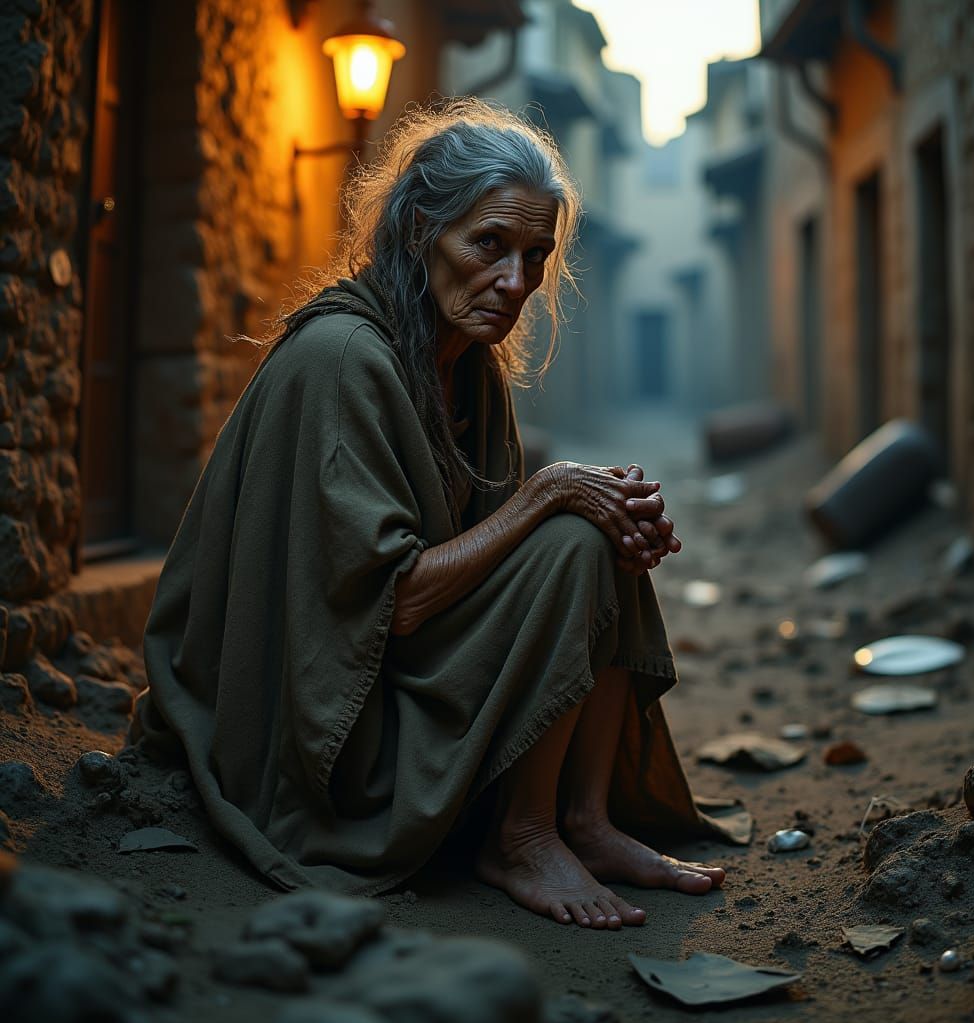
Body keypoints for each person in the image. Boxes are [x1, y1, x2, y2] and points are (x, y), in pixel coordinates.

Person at [134, 99, 734, 932]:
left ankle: (585, 823)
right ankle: (521, 836)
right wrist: (549, 495)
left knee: (593, 532)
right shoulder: (340, 360)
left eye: (534, 256)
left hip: (406, 658)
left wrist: (610, 523)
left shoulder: (466, 364)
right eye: (487, 245)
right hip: (320, 717)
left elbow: (499, 561)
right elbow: (395, 600)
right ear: (419, 228)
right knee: (566, 525)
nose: (515, 283)